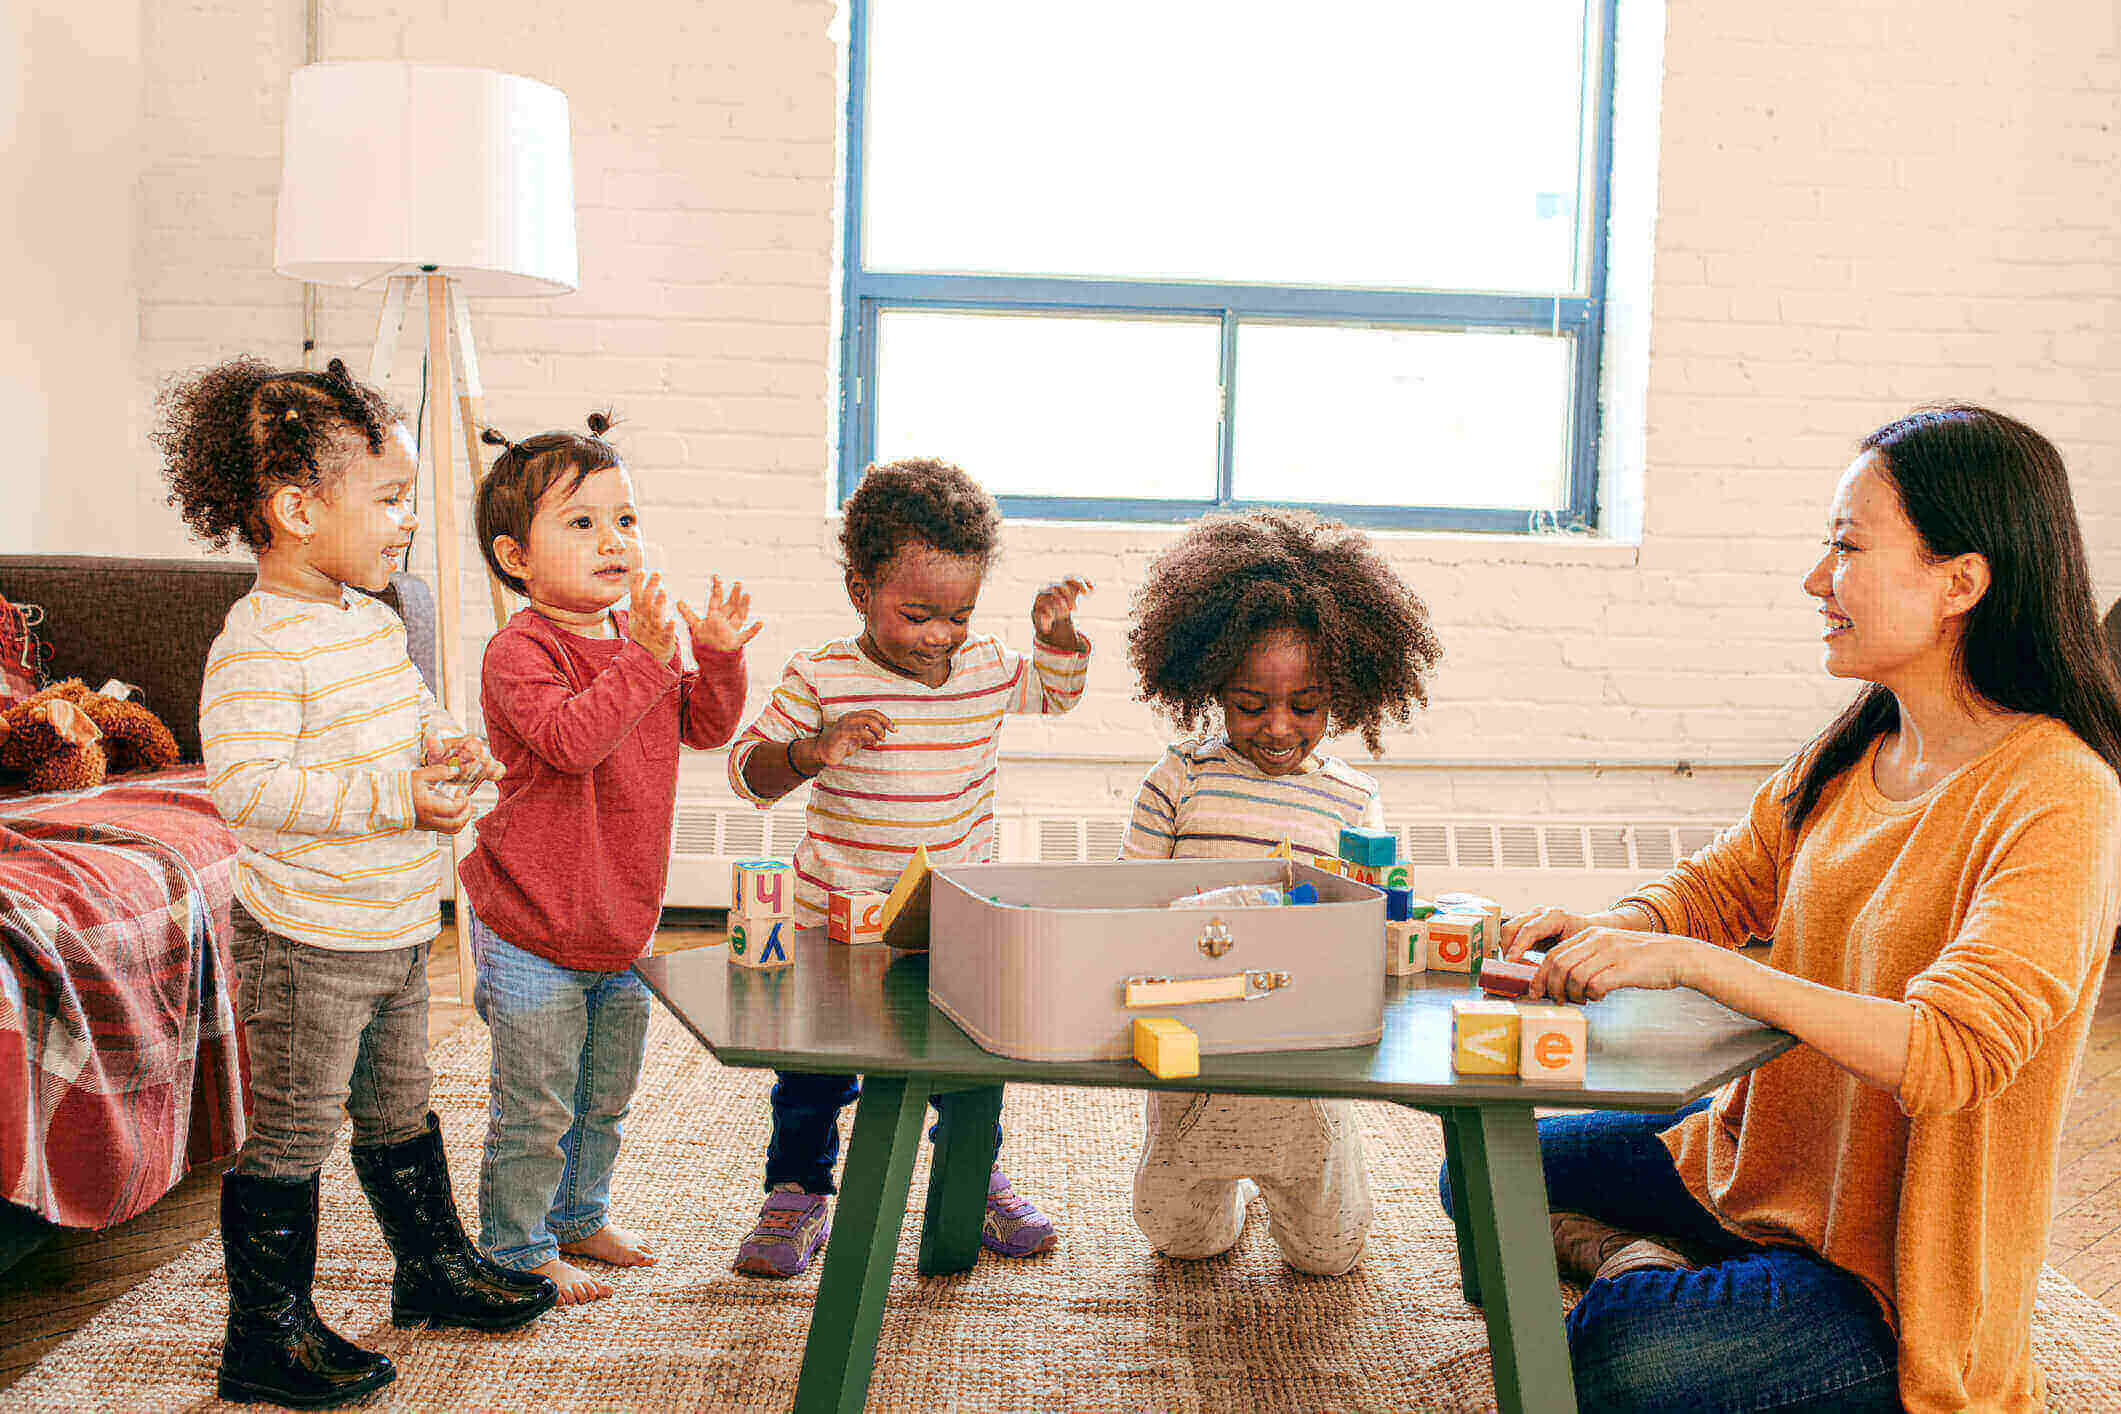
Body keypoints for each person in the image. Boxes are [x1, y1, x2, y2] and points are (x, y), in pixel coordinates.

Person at [1472, 405, 2121, 1413]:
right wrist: (1622, 926)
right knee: (1486, 1172)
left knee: (1615, 1361)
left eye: (1847, 546)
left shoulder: (2060, 794)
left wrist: (1694, 964)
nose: (1817, 580)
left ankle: (1649, 1281)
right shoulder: (1861, 745)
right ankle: (1663, 1264)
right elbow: (1722, 884)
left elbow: (1951, 1051)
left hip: (1889, 1277)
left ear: (1962, 581)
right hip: (1752, 1173)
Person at [162, 356, 557, 1409]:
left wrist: (446, 747)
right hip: (306, 939)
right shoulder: (258, 648)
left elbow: (408, 720)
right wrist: (396, 791)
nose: (404, 524)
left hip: (390, 921)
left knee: (400, 1104)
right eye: (387, 500)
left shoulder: (373, 618)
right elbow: (249, 791)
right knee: (295, 1128)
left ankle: (431, 1269)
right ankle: (265, 1336)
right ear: (296, 508)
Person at [724, 457, 1091, 1277]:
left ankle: (972, 1182)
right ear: (860, 589)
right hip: (834, 920)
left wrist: (1056, 639)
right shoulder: (819, 675)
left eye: (957, 613)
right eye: (916, 612)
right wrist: (811, 749)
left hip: (953, 918)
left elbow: (1057, 695)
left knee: (962, 1063)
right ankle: (795, 1192)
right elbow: (748, 771)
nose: (938, 635)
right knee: (814, 1071)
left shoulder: (989, 668)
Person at [459, 415, 758, 1302]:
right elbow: (570, 740)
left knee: (603, 1096)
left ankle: (577, 1217)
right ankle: (515, 1249)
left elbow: (706, 725)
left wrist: (716, 655)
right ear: (516, 557)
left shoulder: (643, 638)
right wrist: (647, 656)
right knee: (535, 1108)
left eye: (624, 520)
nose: (613, 540)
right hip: (531, 924)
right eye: (581, 523)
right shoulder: (520, 650)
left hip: (621, 920)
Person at [1121, 507, 1443, 1274]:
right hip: (1193, 1051)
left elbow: (1377, 914)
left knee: (1330, 1256)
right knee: (1182, 1239)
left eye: (1306, 705)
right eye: (1249, 704)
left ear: (1347, 691)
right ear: (1208, 686)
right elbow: (1125, 908)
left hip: (1304, 1051)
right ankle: (1222, 1191)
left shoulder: (1350, 799)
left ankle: (1310, 1183)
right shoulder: (1180, 780)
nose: (1277, 728)